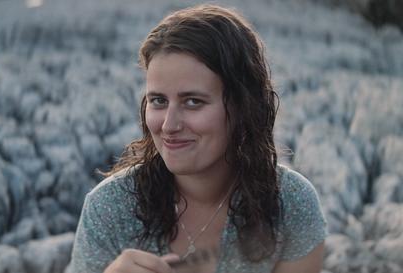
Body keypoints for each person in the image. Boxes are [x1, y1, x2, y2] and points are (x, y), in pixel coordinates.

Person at [66, 4, 327, 273]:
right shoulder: (109, 208)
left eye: (193, 101)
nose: (169, 125)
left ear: (242, 106)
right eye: (158, 100)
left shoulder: (291, 204)